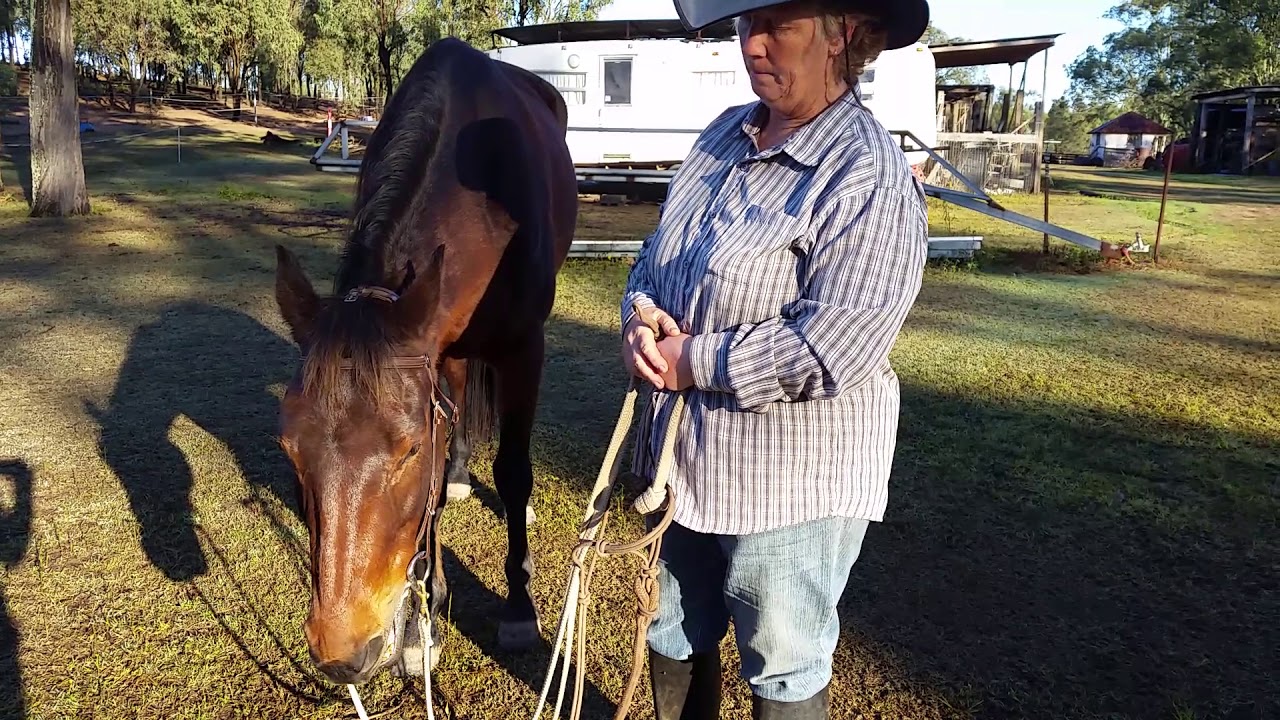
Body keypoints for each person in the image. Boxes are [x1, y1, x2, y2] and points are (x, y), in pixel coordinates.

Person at [619, 0, 931, 718]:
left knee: (783, 660)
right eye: (744, 23)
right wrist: (638, 317)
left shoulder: (867, 174)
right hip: (681, 461)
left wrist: (696, 360)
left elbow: (836, 343)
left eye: (778, 25)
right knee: (671, 626)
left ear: (842, 34)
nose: (752, 44)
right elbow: (654, 259)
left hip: (790, 481)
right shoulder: (721, 137)